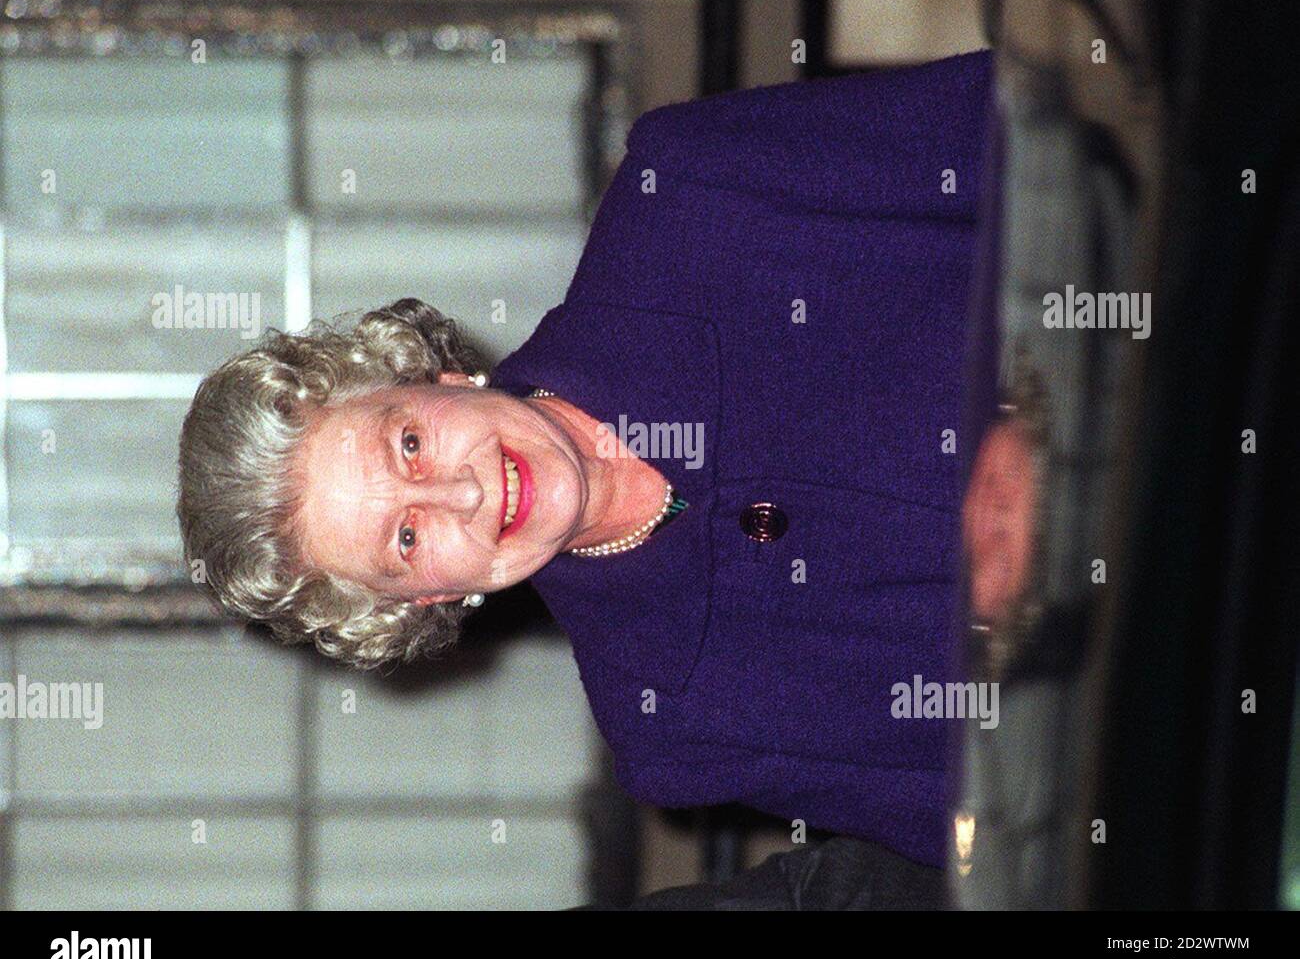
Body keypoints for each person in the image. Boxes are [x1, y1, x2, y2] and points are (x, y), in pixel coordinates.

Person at [178, 51, 995, 876]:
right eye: (406, 539)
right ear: (428, 599)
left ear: (431, 375)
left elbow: (1031, 141)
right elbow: (1003, 819)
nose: (461, 492)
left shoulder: (691, 187)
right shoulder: (671, 727)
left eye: (410, 445)